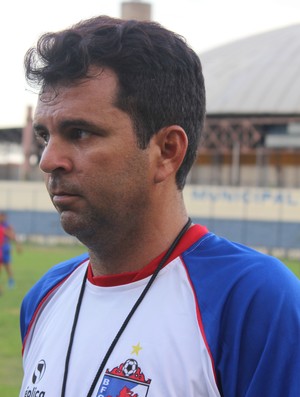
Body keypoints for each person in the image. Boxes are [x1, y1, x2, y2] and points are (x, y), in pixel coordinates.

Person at [19, 16, 300, 397]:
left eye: (79, 133)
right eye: (44, 136)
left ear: (167, 151)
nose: (48, 160)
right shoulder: (43, 298)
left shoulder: (254, 300)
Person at [0, 211, 21, 289]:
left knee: (7, 265)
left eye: (3, 216)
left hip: (5, 247)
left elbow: (13, 236)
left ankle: (11, 280)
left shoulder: (7, 226)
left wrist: (18, 245)